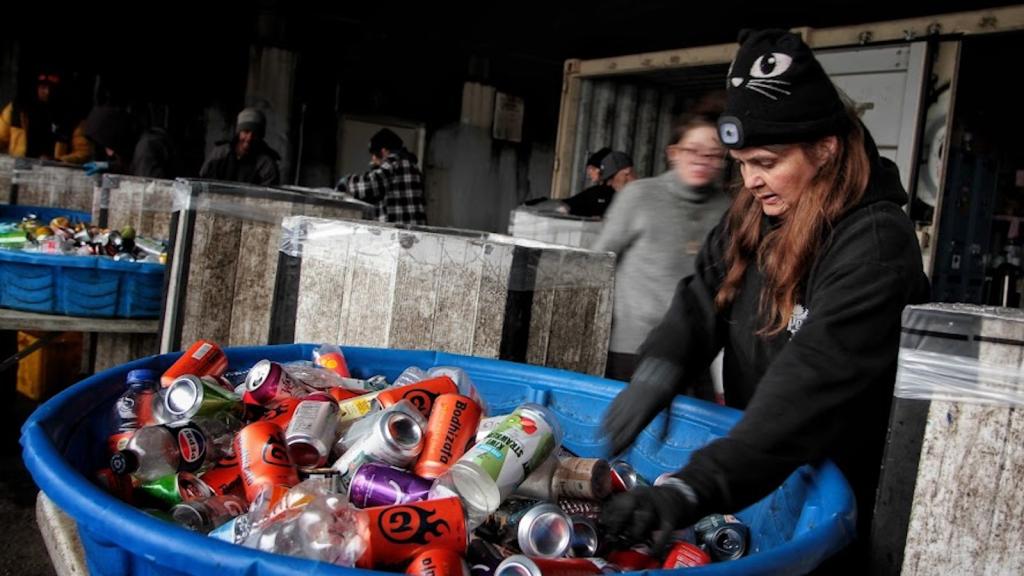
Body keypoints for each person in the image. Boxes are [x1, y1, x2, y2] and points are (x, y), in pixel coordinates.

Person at [599, 29, 930, 569]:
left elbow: (809, 388)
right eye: (742, 163)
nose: (751, 180)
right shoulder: (763, 208)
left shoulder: (874, 249)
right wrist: (659, 367)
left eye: (768, 162)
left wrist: (688, 490)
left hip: (835, 488)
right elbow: (702, 294)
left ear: (825, 149)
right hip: (762, 465)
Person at [592, 111, 729, 381]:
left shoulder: (727, 208)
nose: (702, 160)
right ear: (673, 153)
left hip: (694, 351)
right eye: (693, 150)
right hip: (632, 348)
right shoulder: (640, 195)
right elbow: (599, 261)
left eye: (713, 154)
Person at [336, 128, 427, 224]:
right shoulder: (412, 166)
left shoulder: (394, 162)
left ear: (383, 151)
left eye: (374, 154)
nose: (373, 159)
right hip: (416, 229)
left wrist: (345, 181)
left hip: (399, 232)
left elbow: (369, 185)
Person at [0, 71, 91, 164]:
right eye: (43, 88)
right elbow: (1, 137)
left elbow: (84, 152)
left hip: (55, 173)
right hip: (19, 168)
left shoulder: (72, 116)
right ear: (35, 88)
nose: (47, 92)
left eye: (53, 89)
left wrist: (59, 161)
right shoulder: (17, 109)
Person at [82, 106, 178, 178]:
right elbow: (134, 165)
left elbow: (148, 188)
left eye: (109, 145)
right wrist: (108, 166)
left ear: (118, 134)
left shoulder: (146, 148)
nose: (109, 153)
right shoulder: (142, 141)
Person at [200, 107, 280, 186]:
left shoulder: (266, 165)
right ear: (239, 133)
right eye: (246, 132)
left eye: (255, 134)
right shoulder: (220, 154)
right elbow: (204, 183)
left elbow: (267, 195)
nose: (249, 138)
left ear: (261, 137)